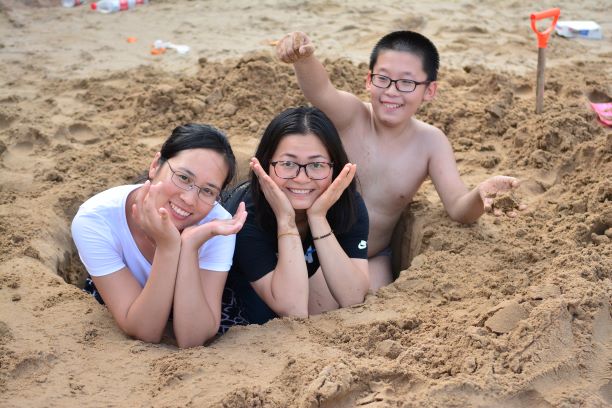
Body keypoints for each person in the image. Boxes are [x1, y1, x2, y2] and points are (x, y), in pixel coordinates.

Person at [276, 30, 525, 290]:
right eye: (383, 79)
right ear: (368, 81)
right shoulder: (351, 115)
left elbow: (458, 207)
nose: (392, 91)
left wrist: (480, 194)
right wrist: (304, 60)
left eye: (407, 83)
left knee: (372, 300)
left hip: (371, 255)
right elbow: (320, 91)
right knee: (309, 293)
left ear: (429, 90)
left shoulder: (430, 142)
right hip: (314, 244)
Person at [71, 124, 247, 348]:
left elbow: (193, 338)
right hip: (126, 300)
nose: (189, 199)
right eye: (183, 177)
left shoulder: (216, 224)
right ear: (155, 166)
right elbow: (145, 331)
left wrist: (190, 246)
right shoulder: (96, 220)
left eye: (207, 191)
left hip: (191, 299)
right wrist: (168, 246)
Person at [222, 106, 369, 329]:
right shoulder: (246, 214)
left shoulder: (346, 204)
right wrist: (286, 221)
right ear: (265, 165)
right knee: (263, 317)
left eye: (317, 165)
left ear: (335, 167)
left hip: (287, 288)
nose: (301, 178)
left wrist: (318, 218)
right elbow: (294, 310)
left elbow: (353, 297)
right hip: (231, 298)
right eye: (288, 164)